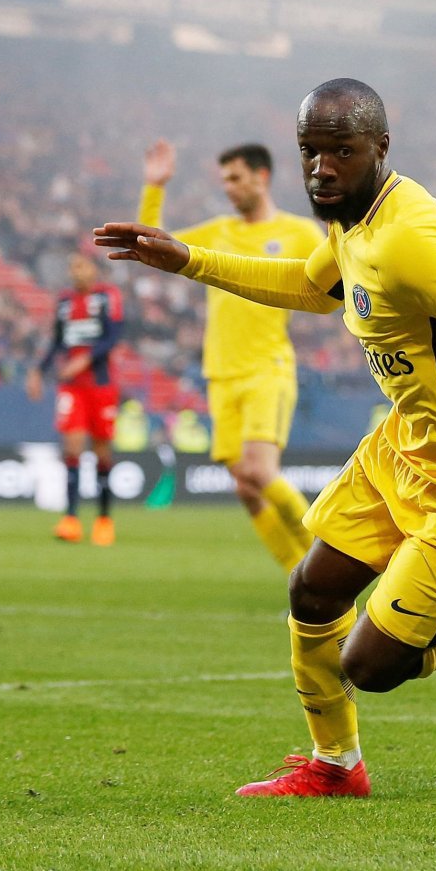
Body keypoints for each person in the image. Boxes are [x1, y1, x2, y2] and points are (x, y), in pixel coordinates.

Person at [95, 77, 436, 798]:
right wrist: (190, 261)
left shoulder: (409, 238)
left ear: (380, 149)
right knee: (313, 590)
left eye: (342, 153)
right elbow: (310, 286)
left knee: (372, 667)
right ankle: (335, 765)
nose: (322, 169)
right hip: (405, 445)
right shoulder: (352, 220)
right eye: (311, 152)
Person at [138, 139, 322, 570]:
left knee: (259, 471)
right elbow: (152, 247)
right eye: (224, 180)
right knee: (245, 485)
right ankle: (300, 577)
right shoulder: (220, 230)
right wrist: (155, 188)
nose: (229, 188)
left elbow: (338, 275)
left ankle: (327, 559)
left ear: (262, 177)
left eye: (236, 178)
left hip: (266, 368)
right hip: (221, 373)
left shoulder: (298, 233)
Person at [26, 253, 124, 546]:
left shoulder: (108, 297)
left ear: (94, 269)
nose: (75, 272)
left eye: (81, 266)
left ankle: (104, 520)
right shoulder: (65, 302)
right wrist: (38, 371)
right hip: (72, 388)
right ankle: (70, 519)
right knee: (72, 447)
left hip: (101, 385)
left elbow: (112, 337)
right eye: (72, 267)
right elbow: (57, 341)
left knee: (102, 452)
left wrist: (83, 361)